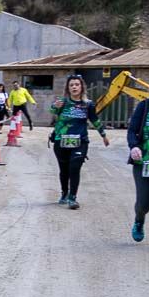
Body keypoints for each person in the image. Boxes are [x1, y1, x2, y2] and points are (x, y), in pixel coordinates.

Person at [48, 74, 109, 210]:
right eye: (71, 85)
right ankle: (64, 193)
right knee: (64, 170)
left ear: (82, 87)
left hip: (80, 141)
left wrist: (103, 135)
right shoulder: (63, 102)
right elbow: (52, 111)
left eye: (77, 84)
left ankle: (72, 198)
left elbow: (94, 119)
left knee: (74, 167)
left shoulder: (88, 104)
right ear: (68, 88)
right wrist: (54, 106)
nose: (74, 87)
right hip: (61, 140)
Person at [127, 96, 149, 241]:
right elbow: (131, 131)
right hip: (144, 162)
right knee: (144, 203)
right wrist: (134, 146)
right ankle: (139, 220)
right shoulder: (145, 106)